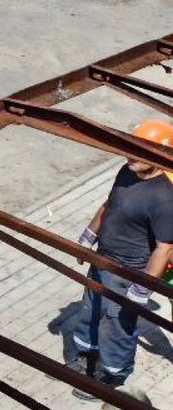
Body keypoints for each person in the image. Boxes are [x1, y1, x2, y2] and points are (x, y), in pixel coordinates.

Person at [65, 118, 173, 399]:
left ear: (159, 154)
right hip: (103, 260)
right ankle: (85, 355)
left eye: (138, 150)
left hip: (129, 271)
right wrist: (88, 236)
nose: (129, 155)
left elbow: (164, 248)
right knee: (91, 308)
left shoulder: (165, 198)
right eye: (129, 147)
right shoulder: (127, 172)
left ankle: (112, 376)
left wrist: (143, 286)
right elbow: (108, 203)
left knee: (118, 325)